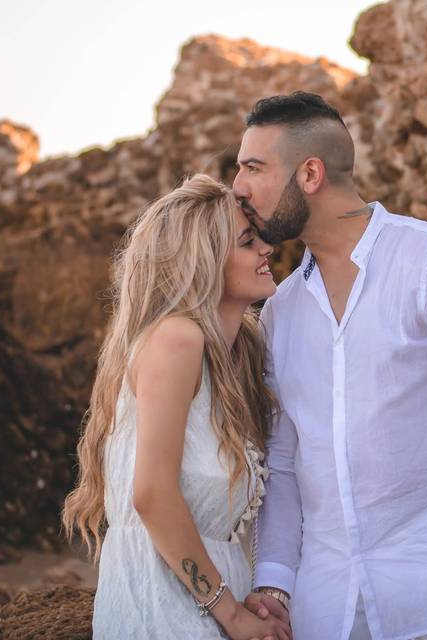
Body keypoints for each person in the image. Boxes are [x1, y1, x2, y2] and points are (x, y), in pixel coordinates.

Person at [234, 92, 427, 640]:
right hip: (323, 608)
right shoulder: (279, 312)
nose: (238, 187)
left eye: (253, 167)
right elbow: (282, 461)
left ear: (309, 173)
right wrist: (275, 581)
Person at [61, 174, 291, 640]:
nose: (266, 248)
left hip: (212, 604)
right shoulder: (176, 340)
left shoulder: (235, 354)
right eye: (247, 241)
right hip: (164, 613)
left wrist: (260, 595)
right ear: (203, 260)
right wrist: (230, 613)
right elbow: (152, 496)